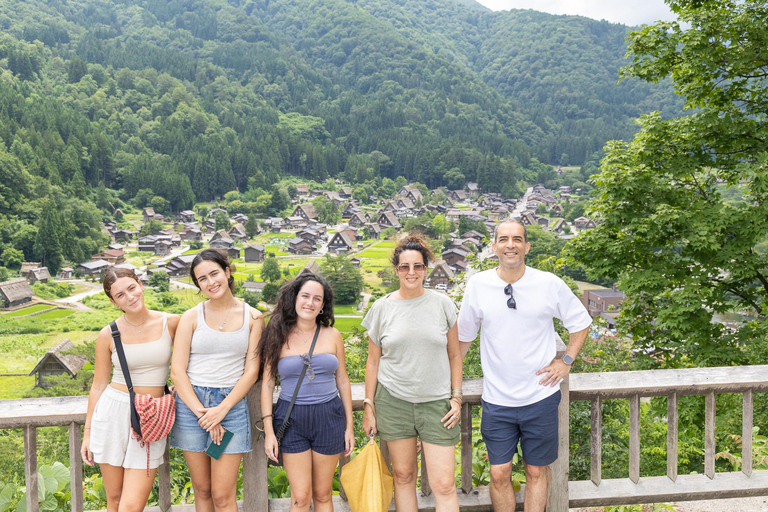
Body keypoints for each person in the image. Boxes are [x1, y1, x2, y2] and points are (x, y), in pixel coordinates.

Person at [457, 220, 592, 512]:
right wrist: (447, 381)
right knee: (499, 473)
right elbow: (462, 340)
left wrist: (566, 360)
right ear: (494, 247)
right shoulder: (479, 285)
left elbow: (580, 323)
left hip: (540, 397)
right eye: (503, 239)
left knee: (536, 471)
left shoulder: (549, 283)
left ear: (526, 247)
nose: (510, 244)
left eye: (517, 239)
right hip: (497, 400)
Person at [361, 235, 463, 512]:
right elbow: (373, 362)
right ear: (396, 269)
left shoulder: (443, 304)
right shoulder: (381, 308)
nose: (411, 272)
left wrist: (456, 397)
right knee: (404, 477)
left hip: (437, 404)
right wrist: (369, 406)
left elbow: (455, 355)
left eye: (417, 266)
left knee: (444, 483)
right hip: (393, 403)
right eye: (405, 267)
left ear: (425, 269)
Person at [170, 249, 263, 512]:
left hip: (230, 408)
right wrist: (205, 415)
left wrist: (220, 411)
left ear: (227, 272)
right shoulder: (190, 317)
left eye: (214, 274)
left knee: (223, 496)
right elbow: (177, 371)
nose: (210, 282)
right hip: (191, 408)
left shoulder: (253, 317)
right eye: (202, 279)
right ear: (198, 284)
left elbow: (251, 372)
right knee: (203, 490)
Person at [81, 267, 180, 512]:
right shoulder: (108, 334)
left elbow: (188, 365)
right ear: (114, 302)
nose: (130, 297)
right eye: (120, 295)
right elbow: (99, 385)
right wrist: (87, 432)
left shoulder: (171, 323)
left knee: (132, 505)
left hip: (150, 416)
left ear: (140, 284)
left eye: (131, 288)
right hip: (112, 412)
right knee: (114, 500)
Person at [260, 273, 354, 512]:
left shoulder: (332, 335)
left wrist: (349, 427)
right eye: (305, 296)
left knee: (323, 495)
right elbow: (268, 384)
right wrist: (269, 432)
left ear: (323, 305)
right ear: (295, 298)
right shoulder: (277, 334)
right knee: (300, 498)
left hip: (329, 417)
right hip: (290, 419)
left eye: (317, 299)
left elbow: (342, 380)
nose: (310, 303)